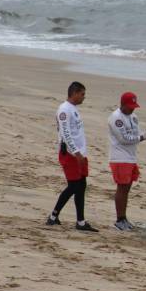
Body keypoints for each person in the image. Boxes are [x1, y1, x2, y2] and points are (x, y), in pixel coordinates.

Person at [46, 81, 98, 232]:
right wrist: (75, 152)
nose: (84, 97)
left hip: (79, 154)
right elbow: (65, 133)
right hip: (70, 154)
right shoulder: (64, 110)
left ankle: (80, 222)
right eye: (82, 94)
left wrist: (81, 152)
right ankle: (53, 216)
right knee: (74, 186)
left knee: (81, 186)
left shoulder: (73, 109)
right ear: (74, 93)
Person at [107, 91, 146, 231]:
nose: (132, 109)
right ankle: (119, 219)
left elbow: (136, 135)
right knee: (122, 188)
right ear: (123, 104)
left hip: (130, 157)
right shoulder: (116, 118)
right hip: (119, 157)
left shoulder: (134, 117)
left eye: (134, 106)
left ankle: (124, 218)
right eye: (130, 106)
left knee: (127, 189)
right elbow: (124, 139)